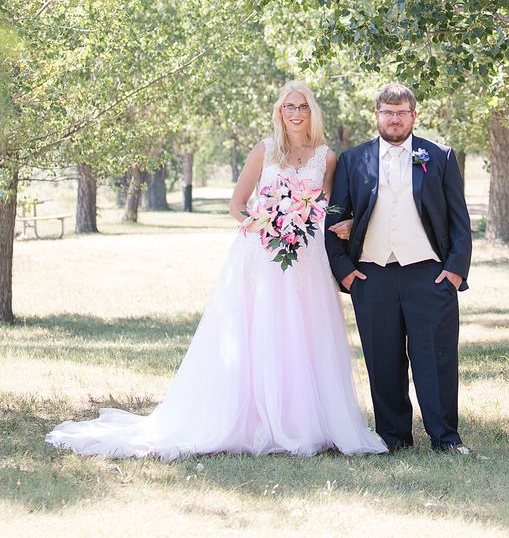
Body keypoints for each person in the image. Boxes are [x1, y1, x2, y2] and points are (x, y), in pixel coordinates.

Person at [46, 81, 386, 459]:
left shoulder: (326, 157)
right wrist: (266, 224)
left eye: (302, 106)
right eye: (289, 106)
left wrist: (338, 222)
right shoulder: (264, 150)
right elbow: (237, 205)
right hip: (262, 256)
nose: (295, 113)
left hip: (305, 258)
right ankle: (256, 419)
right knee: (260, 332)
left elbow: (329, 207)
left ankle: (307, 422)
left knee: (305, 334)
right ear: (279, 111)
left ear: (312, 112)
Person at [325, 83, 472, 454]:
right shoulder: (352, 160)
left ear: (413, 116)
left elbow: (459, 219)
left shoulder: (439, 156)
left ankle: (445, 437)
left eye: (401, 113)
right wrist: (344, 270)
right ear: (376, 115)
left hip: (429, 273)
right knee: (383, 358)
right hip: (372, 275)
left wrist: (455, 269)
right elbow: (333, 217)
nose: (394, 119)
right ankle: (393, 437)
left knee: (435, 359)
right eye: (388, 113)